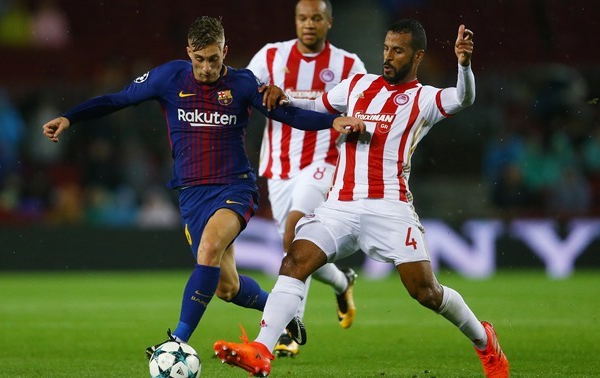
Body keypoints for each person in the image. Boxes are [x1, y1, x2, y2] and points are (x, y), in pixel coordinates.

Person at [41, 16, 363, 356]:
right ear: (188, 52)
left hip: (234, 188)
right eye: (199, 59)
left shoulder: (242, 84)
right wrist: (70, 117)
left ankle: (176, 342)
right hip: (191, 194)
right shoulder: (168, 77)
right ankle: (281, 315)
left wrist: (333, 121)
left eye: (214, 58)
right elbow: (117, 99)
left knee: (209, 247)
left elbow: (290, 116)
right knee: (227, 287)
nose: (207, 67)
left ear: (225, 52)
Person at [214, 19, 510, 378]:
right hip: (340, 206)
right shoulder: (358, 85)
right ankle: (261, 350)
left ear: (417, 55)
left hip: (390, 208)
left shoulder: (423, 98)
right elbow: (316, 105)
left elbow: (463, 98)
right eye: (386, 48)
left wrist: (463, 65)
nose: (388, 57)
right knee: (295, 259)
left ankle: (484, 341)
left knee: (426, 292)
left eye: (397, 51)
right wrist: (281, 94)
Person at [246, 0, 366, 357]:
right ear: (295, 21)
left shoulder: (348, 64)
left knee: (295, 233)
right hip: (279, 167)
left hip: (324, 162)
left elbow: (364, 110)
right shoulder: (270, 57)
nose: (308, 24)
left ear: (329, 22)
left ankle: (289, 331)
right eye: (302, 18)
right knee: (295, 249)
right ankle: (342, 281)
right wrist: (259, 93)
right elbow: (243, 89)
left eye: (316, 18)